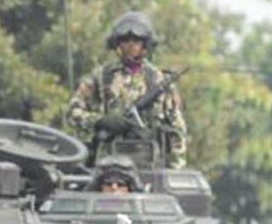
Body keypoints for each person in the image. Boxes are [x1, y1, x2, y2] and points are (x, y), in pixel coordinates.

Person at [67, 11, 187, 168]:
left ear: (146, 44)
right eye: (125, 40)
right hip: (108, 164)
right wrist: (100, 121)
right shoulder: (101, 76)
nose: (131, 45)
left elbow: (176, 128)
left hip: (150, 163)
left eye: (137, 40)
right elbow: (72, 113)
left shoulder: (159, 81)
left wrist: (176, 168)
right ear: (117, 43)